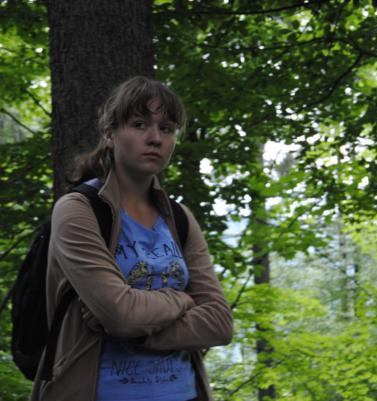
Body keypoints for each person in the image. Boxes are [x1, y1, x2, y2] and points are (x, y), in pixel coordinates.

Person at [30, 76, 233, 401]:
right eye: (139, 124)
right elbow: (121, 315)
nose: (155, 138)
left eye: (167, 129)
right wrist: (182, 300)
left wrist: (139, 331)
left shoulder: (179, 218)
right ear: (109, 134)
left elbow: (219, 323)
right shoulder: (79, 210)